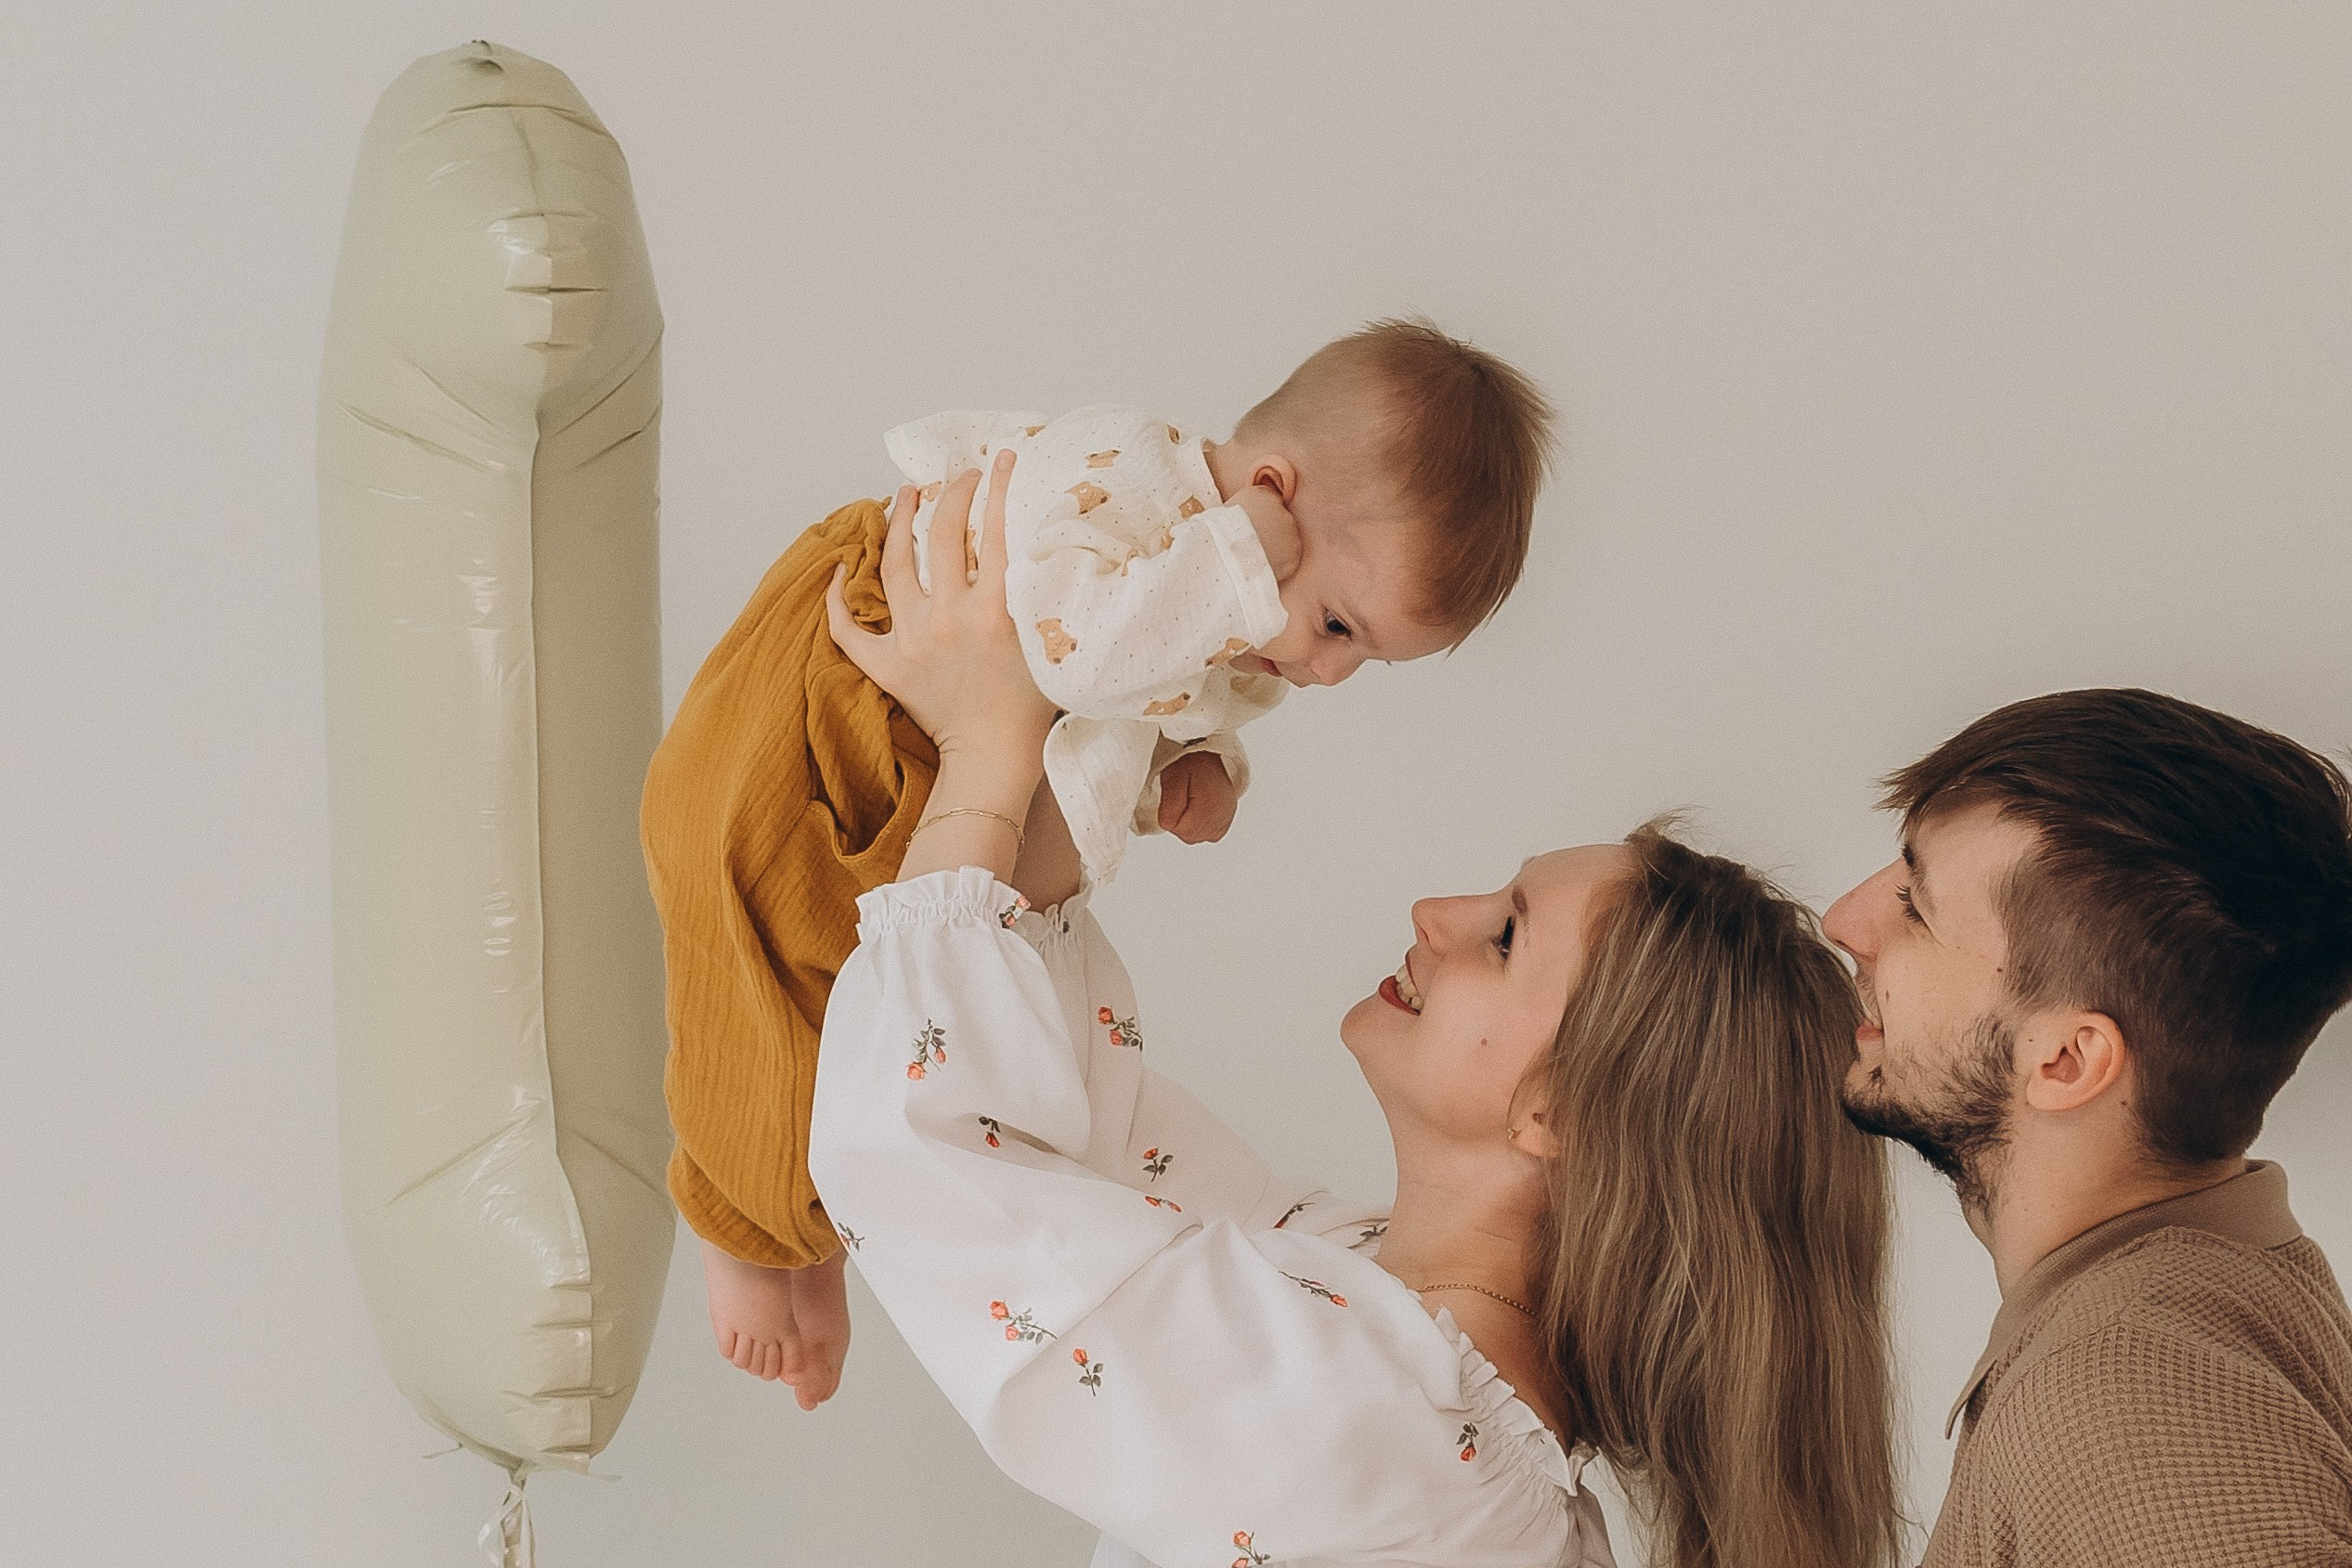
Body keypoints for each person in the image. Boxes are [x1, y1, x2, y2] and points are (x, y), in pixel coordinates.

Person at [805, 466, 1904, 1568]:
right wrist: (1094, 699)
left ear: (1559, 1114)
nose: (1437, 915)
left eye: (1508, 937)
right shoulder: (1380, 1326)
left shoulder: (1382, 1428)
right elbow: (1097, 1147)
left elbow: (932, 1158)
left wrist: (986, 756)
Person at [642, 319, 1554, 1405]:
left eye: (1363, 656)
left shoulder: (1222, 596)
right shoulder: (1122, 472)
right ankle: (736, 1224)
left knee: (865, 1015)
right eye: (1338, 626)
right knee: (763, 973)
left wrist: (1195, 761)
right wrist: (1226, 574)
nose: (1324, 670)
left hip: (917, 736)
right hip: (832, 706)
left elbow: (1124, 703)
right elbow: (1077, 654)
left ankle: (806, 1230)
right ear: (1269, 490)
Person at [1826, 688, 2352, 1567]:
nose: (1847, 921)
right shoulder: (2185, 1318)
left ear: (2066, 1061)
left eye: (1915, 906)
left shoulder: (2123, 1391)